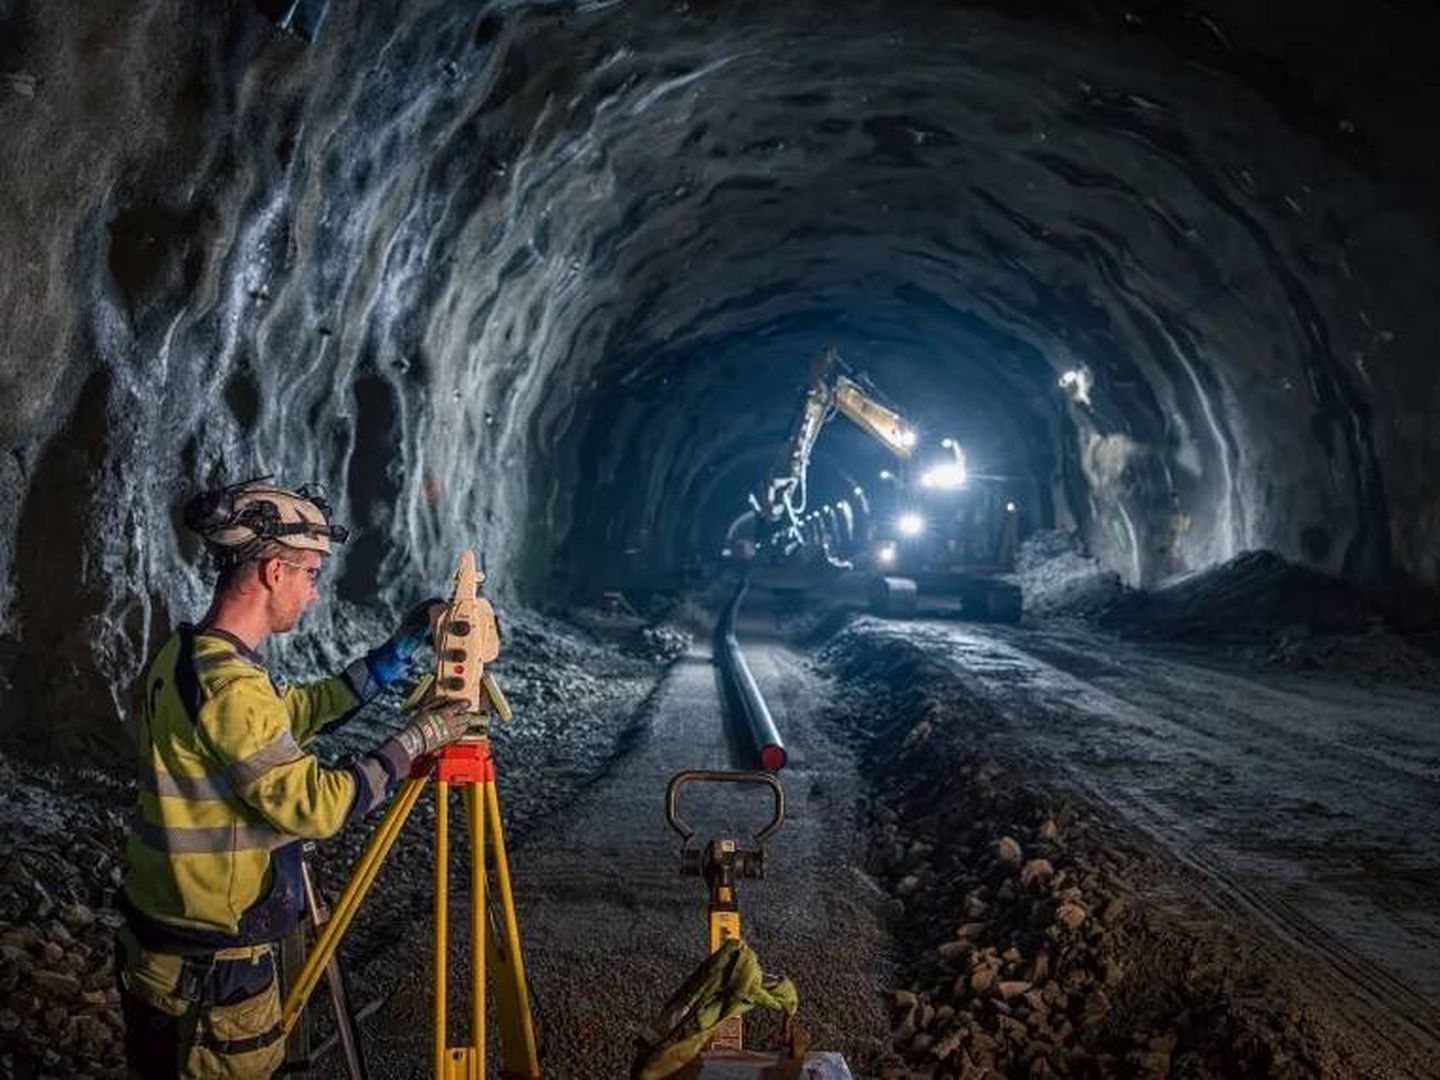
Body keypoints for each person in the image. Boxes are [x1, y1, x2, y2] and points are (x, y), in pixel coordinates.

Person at [117, 478, 472, 1078]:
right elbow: (318, 808)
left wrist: (392, 657)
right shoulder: (232, 688)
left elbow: (292, 715)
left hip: (162, 953)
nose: (313, 593)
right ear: (273, 573)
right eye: (310, 574)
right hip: (212, 975)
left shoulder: (185, 657)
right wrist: (418, 741)